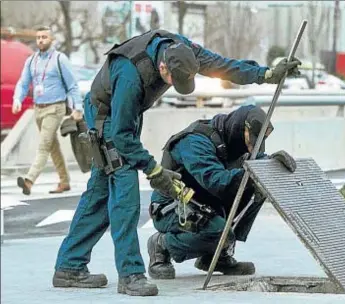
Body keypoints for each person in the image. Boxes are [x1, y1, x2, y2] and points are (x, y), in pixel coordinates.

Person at [52, 29, 301, 297]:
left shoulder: (183, 52)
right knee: (125, 192)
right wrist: (154, 170)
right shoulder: (130, 75)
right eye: (171, 80)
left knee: (100, 192)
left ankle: (69, 266)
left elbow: (221, 66)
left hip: (127, 118)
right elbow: (121, 136)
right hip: (107, 119)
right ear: (162, 66)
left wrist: (265, 75)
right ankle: (130, 275)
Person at [147, 105, 297, 280]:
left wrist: (270, 164)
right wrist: (253, 174)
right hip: (172, 209)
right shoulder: (195, 142)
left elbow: (252, 162)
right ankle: (162, 245)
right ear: (240, 128)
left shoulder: (232, 143)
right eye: (251, 142)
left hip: (204, 204)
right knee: (219, 231)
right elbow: (215, 181)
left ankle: (216, 256)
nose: (252, 148)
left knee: (257, 187)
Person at [12, 26, 83, 195]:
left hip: (55, 108)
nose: (41, 40)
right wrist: (17, 99)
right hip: (38, 109)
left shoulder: (60, 59)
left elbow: (73, 85)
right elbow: (23, 83)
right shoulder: (32, 60)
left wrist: (78, 108)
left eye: (44, 37)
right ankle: (64, 181)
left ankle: (29, 181)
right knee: (52, 146)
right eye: (38, 37)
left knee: (44, 146)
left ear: (52, 40)